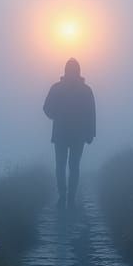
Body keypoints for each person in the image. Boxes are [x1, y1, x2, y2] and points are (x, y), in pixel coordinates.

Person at [43, 58, 96, 209]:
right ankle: (69, 198)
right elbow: (91, 114)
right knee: (73, 166)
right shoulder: (86, 90)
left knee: (61, 166)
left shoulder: (57, 88)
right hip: (76, 135)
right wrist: (90, 133)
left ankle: (64, 197)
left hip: (62, 134)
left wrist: (56, 116)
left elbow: (46, 108)